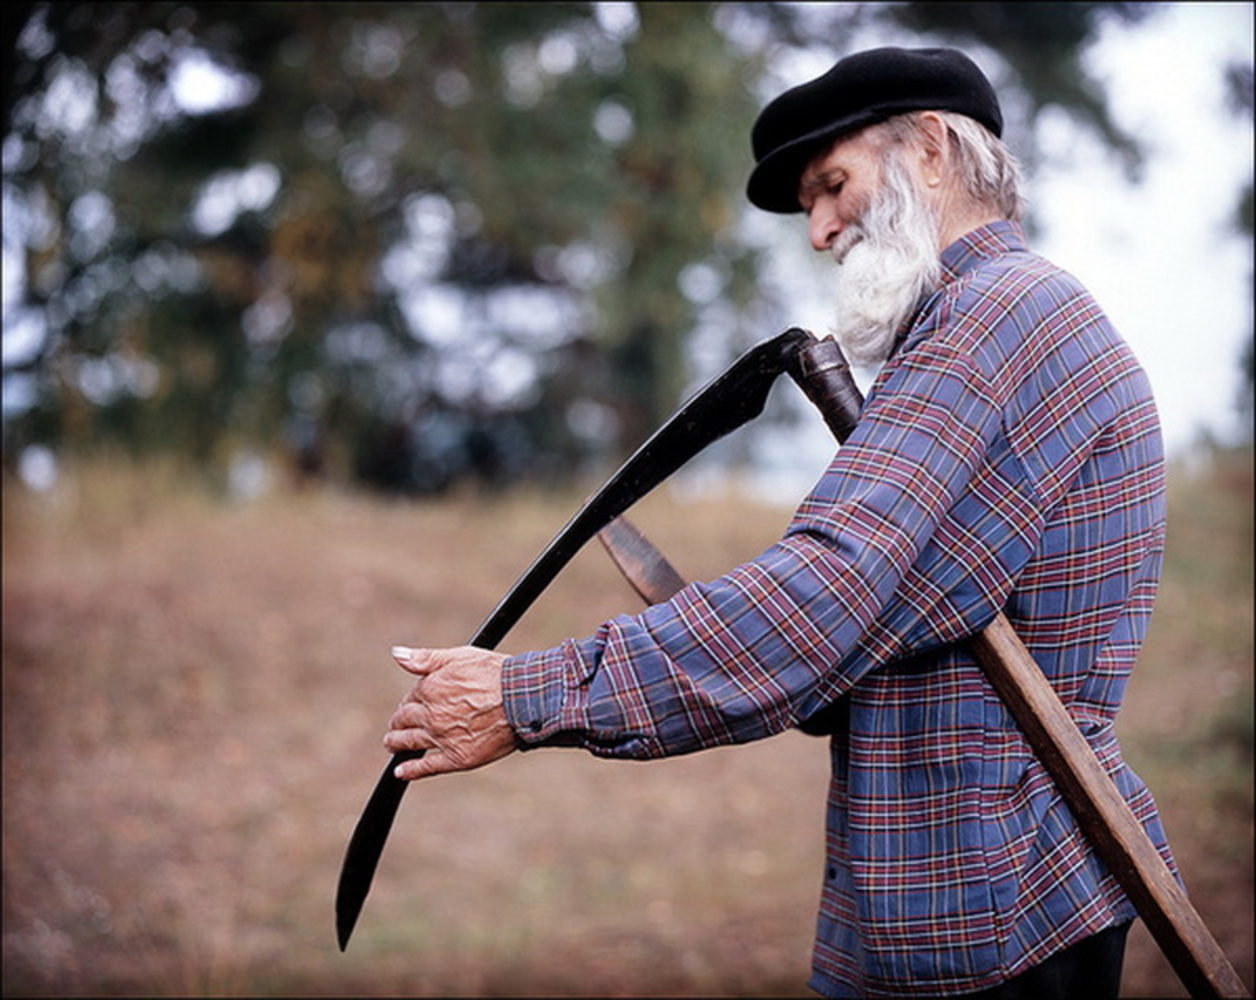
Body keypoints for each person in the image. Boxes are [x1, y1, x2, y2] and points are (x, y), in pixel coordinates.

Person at [381, 46, 1176, 998]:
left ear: (929, 148)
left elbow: (827, 593)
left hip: (986, 917)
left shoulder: (993, 321)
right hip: (967, 898)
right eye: (812, 204)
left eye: (832, 186)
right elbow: (885, 623)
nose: (821, 230)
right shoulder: (1005, 320)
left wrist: (528, 694)